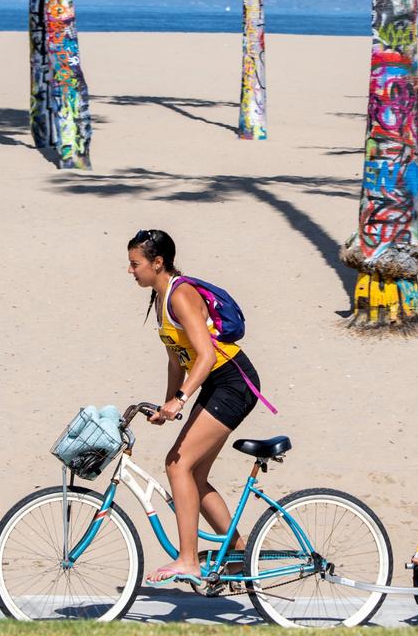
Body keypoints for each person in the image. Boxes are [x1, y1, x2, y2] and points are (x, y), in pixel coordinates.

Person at [127, 229, 263, 585]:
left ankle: (188, 559)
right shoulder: (160, 300)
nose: (131, 270)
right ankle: (240, 553)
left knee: (177, 464)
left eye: (135, 263)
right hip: (215, 384)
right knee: (194, 475)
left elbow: (204, 356)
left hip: (233, 383)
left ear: (158, 263)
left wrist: (182, 400)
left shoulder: (181, 295)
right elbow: (177, 361)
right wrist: (166, 402)